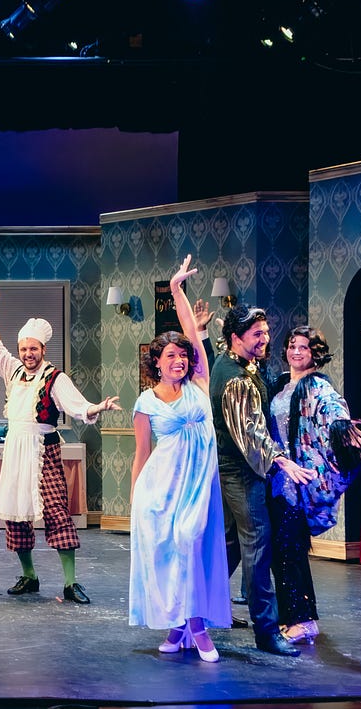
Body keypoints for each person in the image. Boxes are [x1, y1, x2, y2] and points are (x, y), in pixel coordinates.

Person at [0, 283, 119, 604]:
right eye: (24, 349)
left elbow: (77, 405)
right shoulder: (13, 372)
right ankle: (29, 576)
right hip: (15, 450)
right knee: (16, 515)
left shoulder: (55, 378)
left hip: (44, 450)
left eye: (33, 349)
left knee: (56, 512)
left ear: (43, 349)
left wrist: (97, 408)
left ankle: (70, 583)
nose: (28, 354)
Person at [129, 256, 231, 662]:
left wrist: (176, 291)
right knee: (170, 555)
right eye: (170, 356)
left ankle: (197, 628)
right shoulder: (146, 402)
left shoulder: (199, 383)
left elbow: (191, 328)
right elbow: (142, 453)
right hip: (161, 488)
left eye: (182, 355)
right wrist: (135, 499)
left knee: (192, 544)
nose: (179, 361)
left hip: (198, 485)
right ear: (156, 362)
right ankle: (181, 624)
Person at [209, 303, 317, 657]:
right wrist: (282, 461)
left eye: (266, 332)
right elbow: (250, 434)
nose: (265, 339)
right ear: (236, 338)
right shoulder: (236, 379)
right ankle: (267, 631)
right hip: (242, 472)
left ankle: (194, 613)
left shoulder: (237, 363)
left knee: (229, 545)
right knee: (257, 545)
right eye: (257, 334)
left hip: (234, 469)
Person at [265, 326, 361, 645]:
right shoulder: (282, 383)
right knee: (280, 549)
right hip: (278, 476)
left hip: (299, 482)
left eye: (304, 347)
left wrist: (342, 429)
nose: (296, 352)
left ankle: (304, 620)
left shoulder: (317, 386)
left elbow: (334, 409)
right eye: (292, 345)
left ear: (315, 353)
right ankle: (291, 616)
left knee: (291, 548)